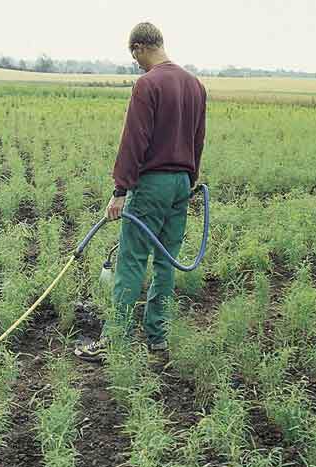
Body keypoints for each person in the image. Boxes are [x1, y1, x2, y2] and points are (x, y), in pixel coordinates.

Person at [75, 22, 207, 362]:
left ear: (139, 48)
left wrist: (120, 190)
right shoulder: (195, 85)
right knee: (166, 263)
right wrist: (188, 181)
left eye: (133, 55)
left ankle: (114, 341)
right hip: (181, 183)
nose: (135, 62)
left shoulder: (147, 84)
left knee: (131, 261)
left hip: (152, 184)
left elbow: (134, 141)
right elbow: (198, 139)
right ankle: (157, 339)